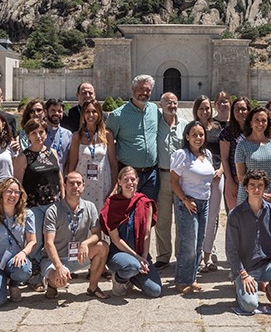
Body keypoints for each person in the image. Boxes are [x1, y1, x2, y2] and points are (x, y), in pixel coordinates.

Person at [226, 170, 271, 312]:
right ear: (246, 188)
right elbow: (231, 250)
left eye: (260, 186)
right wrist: (243, 274)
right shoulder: (235, 215)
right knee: (250, 306)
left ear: (265, 188)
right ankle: (240, 288)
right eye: (252, 185)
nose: (256, 189)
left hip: (266, 265)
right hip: (245, 269)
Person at [42, 171, 110, 299]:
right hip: (55, 259)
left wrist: (85, 244)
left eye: (78, 183)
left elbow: (97, 235)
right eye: (71, 183)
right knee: (59, 280)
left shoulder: (90, 207)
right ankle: (52, 284)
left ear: (84, 186)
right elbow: (48, 243)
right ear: (65, 185)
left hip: (78, 256)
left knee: (103, 246)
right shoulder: (53, 210)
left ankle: (93, 287)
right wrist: (59, 266)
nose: (75, 186)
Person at [101, 167, 161, 297]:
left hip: (140, 254)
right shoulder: (111, 204)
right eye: (126, 179)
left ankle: (131, 277)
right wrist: (137, 258)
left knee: (155, 291)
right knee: (132, 266)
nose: (130, 182)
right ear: (119, 182)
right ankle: (119, 279)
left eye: (133, 179)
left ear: (137, 181)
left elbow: (146, 234)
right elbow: (116, 239)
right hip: (119, 253)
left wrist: (144, 258)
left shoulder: (146, 203)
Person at [170, 121, 215, 293]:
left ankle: (192, 278)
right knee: (188, 243)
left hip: (204, 202)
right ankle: (182, 281)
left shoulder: (208, 155)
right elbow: (173, 182)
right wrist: (185, 200)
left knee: (198, 243)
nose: (198, 138)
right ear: (187, 136)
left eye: (201, 134)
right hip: (188, 202)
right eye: (194, 134)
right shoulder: (182, 155)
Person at [0, 178, 37, 307]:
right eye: (9, 191)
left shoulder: (27, 215)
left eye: (17, 192)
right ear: (1, 193)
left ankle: (14, 284)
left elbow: (32, 242)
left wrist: (23, 253)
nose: (13, 195)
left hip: (15, 260)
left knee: (23, 269)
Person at [14, 117, 64, 268]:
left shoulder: (53, 153)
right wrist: (20, 208)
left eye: (41, 132)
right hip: (33, 207)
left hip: (54, 205)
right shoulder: (23, 157)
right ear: (28, 135)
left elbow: (60, 179)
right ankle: (34, 277)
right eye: (34, 133)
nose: (38, 136)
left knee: (53, 240)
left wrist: (63, 200)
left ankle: (53, 271)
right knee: (36, 241)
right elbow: (18, 184)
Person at [107, 74, 160, 200]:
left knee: (148, 212)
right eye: (141, 89)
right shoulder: (117, 115)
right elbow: (106, 142)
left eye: (148, 90)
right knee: (126, 212)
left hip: (151, 175)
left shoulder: (154, 109)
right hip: (128, 174)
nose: (144, 92)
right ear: (133, 89)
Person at [194, 95, 225, 272]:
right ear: (196, 111)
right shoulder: (193, 128)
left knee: (212, 217)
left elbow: (223, 152)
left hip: (216, 176)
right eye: (201, 108)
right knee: (199, 217)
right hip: (199, 178)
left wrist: (220, 170)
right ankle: (197, 255)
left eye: (207, 108)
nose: (205, 111)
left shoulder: (217, 127)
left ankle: (207, 256)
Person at [68, 99, 118, 208]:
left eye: (94, 111)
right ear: (83, 115)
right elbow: (72, 164)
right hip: (83, 184)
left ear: (99, 114)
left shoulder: (107, 135)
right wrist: (70, 185)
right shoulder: (77, 136)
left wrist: (114, 187)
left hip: (103, 183)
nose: (91, 115)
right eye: (87, 112)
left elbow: (113, 163)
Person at [154, 92, 184, 269]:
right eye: (168, 103)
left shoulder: (185, 126)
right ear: (161, 104)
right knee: (163, 219)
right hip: (162, 175)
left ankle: (181, 255)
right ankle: (163, 256)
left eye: (174, 102)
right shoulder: (155, 126)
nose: (171, 106)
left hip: (181, 179)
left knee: (181, 219)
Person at [234, 106, 271, 205]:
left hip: (270, 197)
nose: (260, 123)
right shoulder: (242, 145)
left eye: (263, 120)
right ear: (251, 123)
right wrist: (260, 194)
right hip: (248, 198)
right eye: (256, 120)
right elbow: (240, 176)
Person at [219, 96, 250, 211]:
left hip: (253, 181)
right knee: (235, 217)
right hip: (234, 179)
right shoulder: (227, 132)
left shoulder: (255, 131)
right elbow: (225, 158)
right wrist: (231, 182)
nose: (239, 112)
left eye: (243, 109)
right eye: (236, 109)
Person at [44, 98, 73, 172]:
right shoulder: (40, 133)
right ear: (46, 112)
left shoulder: (68, 134)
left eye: (59, 111)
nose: (56, 113)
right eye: (53, 110)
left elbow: (70, 160)